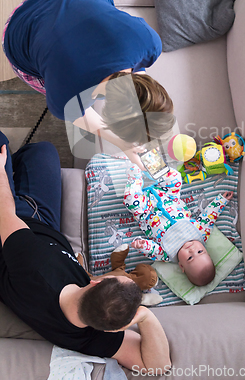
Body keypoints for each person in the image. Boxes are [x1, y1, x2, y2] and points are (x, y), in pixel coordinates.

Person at [0, 132, 171, 372]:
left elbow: (5, 212)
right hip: (45, 232)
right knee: (44, 151)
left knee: (1, 144)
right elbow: (158, 366)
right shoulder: (93, 336)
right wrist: (145, 317)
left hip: (14, 229)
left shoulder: (36, 268)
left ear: (93, 283)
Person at [2, 0, 175, 165]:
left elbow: (133, 66)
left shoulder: (150, 43)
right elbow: (81, 115)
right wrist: (122, 143)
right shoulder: (65, 98)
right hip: (17, 30)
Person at [124, 164, 233, 286]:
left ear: (181, 265)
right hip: (168, 194)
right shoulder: (201, 233)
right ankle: (153, 165)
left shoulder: (167, 254)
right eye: (200, 252)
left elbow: (152, 250)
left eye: (190, 258)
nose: (192, 250)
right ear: (206, 251)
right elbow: (209, 216)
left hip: (145, 209)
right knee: (175, 178)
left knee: (131, 201)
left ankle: (135, 176)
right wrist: (221, 201)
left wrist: (141, 244)